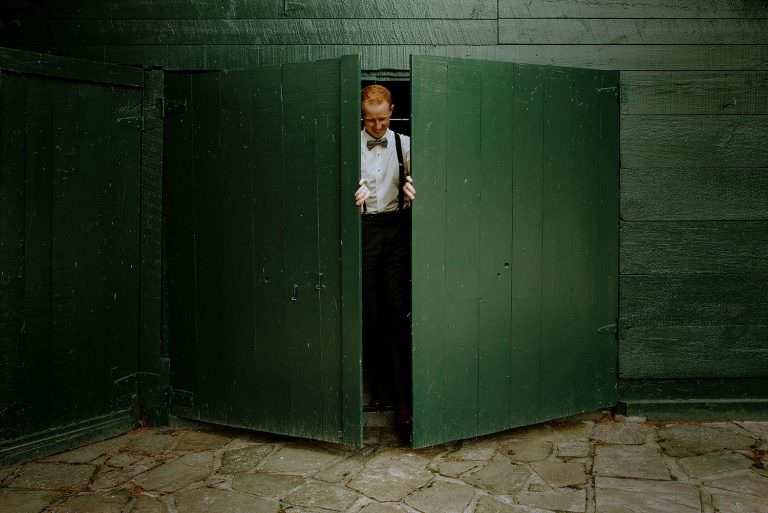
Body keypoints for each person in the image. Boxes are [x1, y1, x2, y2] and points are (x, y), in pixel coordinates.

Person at [354, 84, 415, 442]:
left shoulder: (404, 145)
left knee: (397, 311)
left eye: (382, 118)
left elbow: (424, 184)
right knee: (369, 311)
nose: (377, 126)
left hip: (394, 232)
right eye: (370, 120)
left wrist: (413, 195)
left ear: (392, 109)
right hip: (364, 229)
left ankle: (401, 400)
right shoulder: (351, 146)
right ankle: (372, 390)